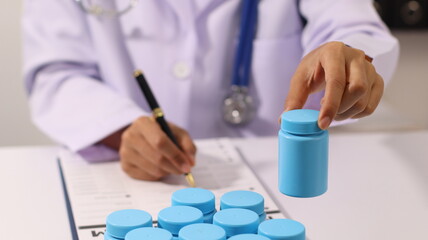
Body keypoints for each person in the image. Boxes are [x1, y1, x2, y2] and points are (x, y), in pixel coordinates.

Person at [23, 0, 399, 181]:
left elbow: (355, 28)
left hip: (274, 177)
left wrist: (351, 57)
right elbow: (54, 74)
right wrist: (121, 129)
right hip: (127, 180)